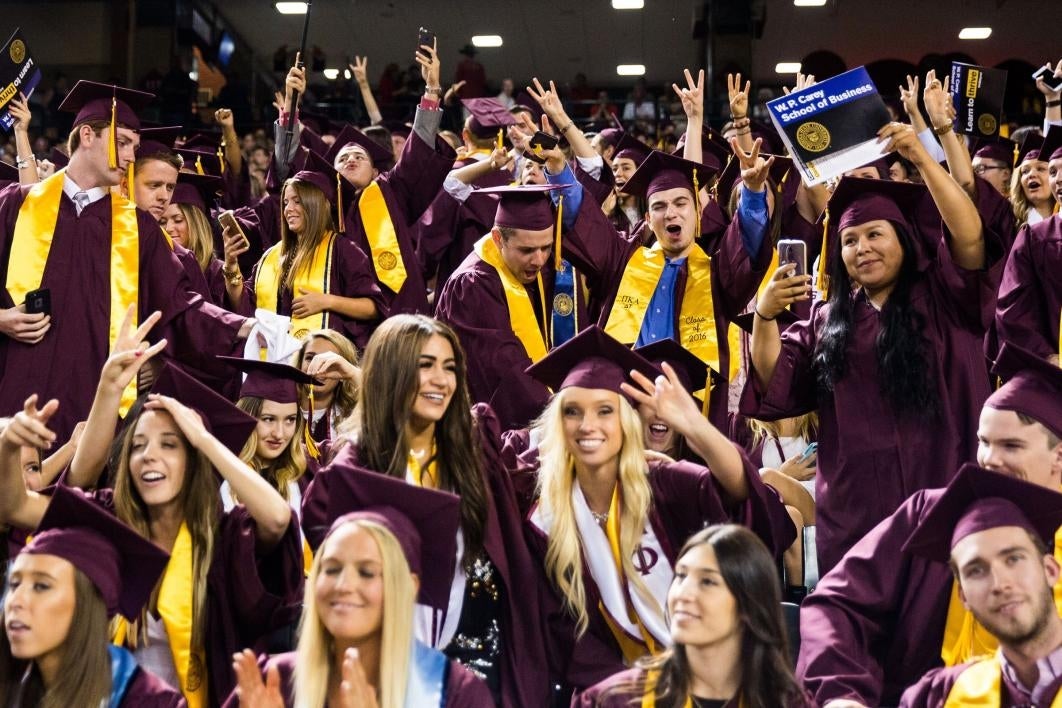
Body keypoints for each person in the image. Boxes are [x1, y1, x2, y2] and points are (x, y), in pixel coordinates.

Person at [14, 312, 305, 707]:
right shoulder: (110, 525)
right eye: (137, 446)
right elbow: (18, 502)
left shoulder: (223, 540)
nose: (149, 456)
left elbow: (277, 517)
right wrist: (107, 391)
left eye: (170, 444)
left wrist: (204, 439)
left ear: (194, 458)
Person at [744, 135, 1004, 573]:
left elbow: (971, 235)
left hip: (946, 507)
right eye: (849, 240)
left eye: (874, 234)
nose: (861, 248)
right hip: (857, 520)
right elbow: (775, 378)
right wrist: (764, 316)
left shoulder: (947, 297)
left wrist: (921, 155)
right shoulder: (828, 321)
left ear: (903, 239)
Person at [518, 326, 794, 692]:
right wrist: (635, 691)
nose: (588, 426)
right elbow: (568, 638)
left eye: (605, 411)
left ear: (625, 422)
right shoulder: (546, 521)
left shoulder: (663, 484)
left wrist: (695, 425)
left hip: (708, 679)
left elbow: (741, 493)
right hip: (617, 692)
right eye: (572, 412)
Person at [301, 314, 550, 708]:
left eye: (450, 367)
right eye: (426, 366)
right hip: (400, 666)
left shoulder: (472, 446)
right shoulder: (353, 471)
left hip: (487, 657)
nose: (442, 380)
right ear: (392, 373)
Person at [797, 342, 1062, 707]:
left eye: (1011, 446)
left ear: (1058, 457)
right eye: (984, 442)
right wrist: (841, 695)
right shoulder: (934, 515)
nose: (989, 460)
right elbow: (835, 606)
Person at [0, 80, 255, 445]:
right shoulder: (18, 206)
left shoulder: (138, 229)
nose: (132, 156)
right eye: (122, 143)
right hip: (15, 401)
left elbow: (181, 307)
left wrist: (250, 329)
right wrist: (2, 318)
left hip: (91, 409)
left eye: (135, 146)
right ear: (86, 136)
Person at [229, 465, 493, 708]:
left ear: (409, 586)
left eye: (366, 572)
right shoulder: (274, 681)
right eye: (331, 569)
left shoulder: (456, 694)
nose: (343, 585)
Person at [574, 525, 811, 708]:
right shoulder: (615, 700)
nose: (683, 593)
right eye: (680, 576)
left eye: (707, 581)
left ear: (748, 606)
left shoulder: (785, 702)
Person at [0, 484, 184, 707]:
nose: (16, 601)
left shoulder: (149, 701)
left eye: (41, 586)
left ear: (87, 604)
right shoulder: (14, 690)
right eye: (14, 584)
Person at [434, 182, 594, 431]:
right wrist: (557, 416)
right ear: (497, 239)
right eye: (527, 250)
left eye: (546, 247)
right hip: (488, 431)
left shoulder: (544, 267)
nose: (539, 260)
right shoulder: (473, 286)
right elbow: (504, 370)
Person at [898, 466, 1062, 707]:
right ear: (963, 596)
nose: (999, 583)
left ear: (1050, 570)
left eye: (1013, 558)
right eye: (976, 570)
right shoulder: (941, 696)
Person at [226, 150, 387, 349]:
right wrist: (231, 266)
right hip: (274, 360)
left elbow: (372, 307)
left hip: (321, 361)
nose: (288, 209)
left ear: (317, 205)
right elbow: (243, 305)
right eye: (285, 202)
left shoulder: (343, 250)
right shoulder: (273, 255)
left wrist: (327, 301)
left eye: (297, 201)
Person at [994, 126, 1062, 365]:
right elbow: (1013, 309)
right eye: (1053, 171)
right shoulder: (1034, 238)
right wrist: (1047, 357)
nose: (1059, 179)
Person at [293, 329, 361, 448]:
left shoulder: (354, 415)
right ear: (299, 364)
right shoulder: (282, 407)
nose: (318, 366)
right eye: (310, 358)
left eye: (330, 361)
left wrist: (353, 374)